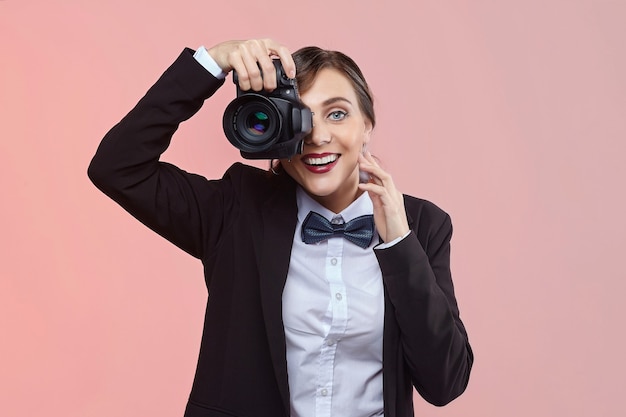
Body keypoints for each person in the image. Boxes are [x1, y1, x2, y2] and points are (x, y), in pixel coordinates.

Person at [88, 38, 473, 417]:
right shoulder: (237, 209)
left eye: (337, 114)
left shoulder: (422, 225)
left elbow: (445, 383)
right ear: (272, 130)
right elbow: (118, 167)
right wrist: (212, 63)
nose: (317, 137)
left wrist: (399, 245)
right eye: (298, 116)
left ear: (368, 124)